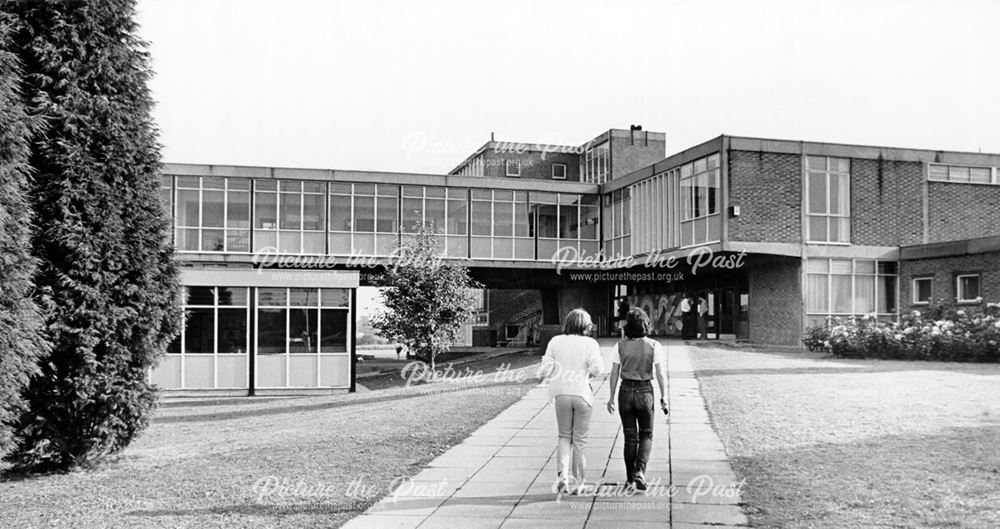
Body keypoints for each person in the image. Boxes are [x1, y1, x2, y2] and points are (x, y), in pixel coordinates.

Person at [537, 308, 604, 494]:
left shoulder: (556, 341)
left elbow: (545, 368)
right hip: (582, 393)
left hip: (560, 393)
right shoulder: (590, 343)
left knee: (564, 436)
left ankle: (563, 477)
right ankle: (579, 483)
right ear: (586, 325)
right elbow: (598, 369)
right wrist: (587, 371)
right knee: (580, 440)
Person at [606, 308, 668, 490]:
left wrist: (610, 397)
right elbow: (660, 373)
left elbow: (614, 373)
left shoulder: (619, 346)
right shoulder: (654, 346)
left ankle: (629, 479)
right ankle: (640, 471)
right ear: (645, 325)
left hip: (625, 391)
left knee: (630, 437)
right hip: (645, 392)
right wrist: (664, 396)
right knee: (646, 434)